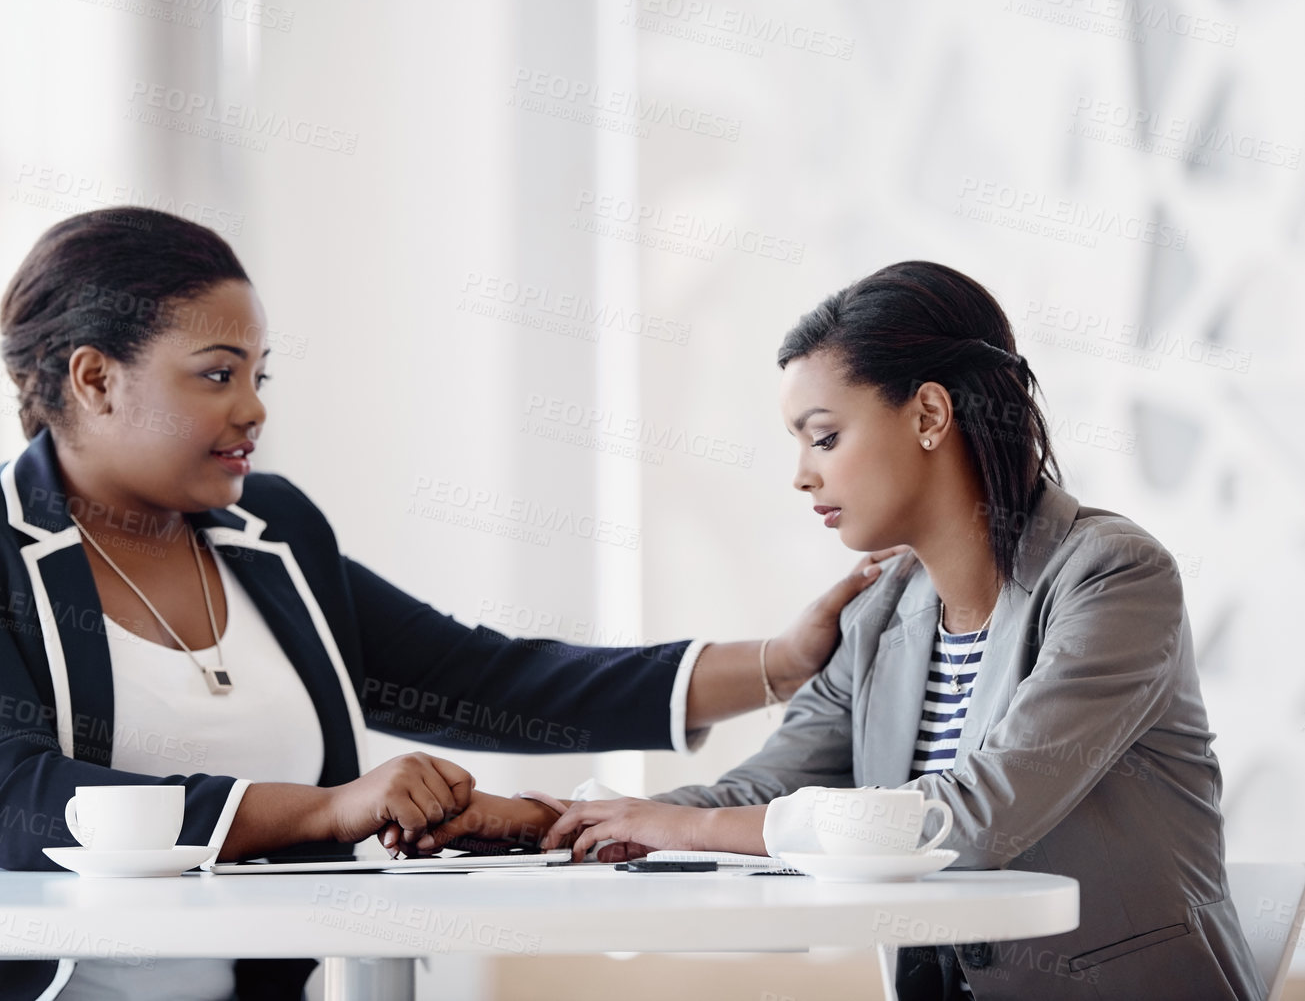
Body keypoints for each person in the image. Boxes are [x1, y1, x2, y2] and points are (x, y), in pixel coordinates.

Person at [0, 207, 890, 1001]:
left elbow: (484, 682)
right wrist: (327, 809)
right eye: (216, 373)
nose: (253, 408)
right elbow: (5, 805)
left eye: (261, 373)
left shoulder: (274, 537)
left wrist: (786, 659)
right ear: (93, 378)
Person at [535, 261, 1264, 1001]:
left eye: (822, 438)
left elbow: (977, 818)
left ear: (927, 415)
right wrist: (541, 819)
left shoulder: (1111, 575)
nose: (800, 475)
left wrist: (684, 831)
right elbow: (761, 791)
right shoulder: (878, 613)